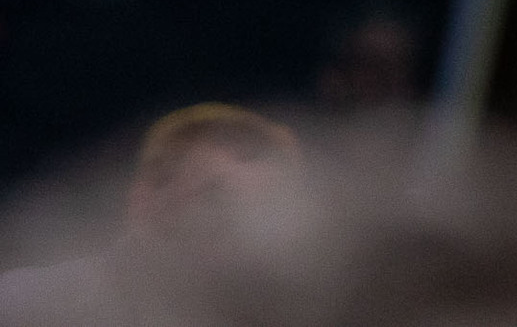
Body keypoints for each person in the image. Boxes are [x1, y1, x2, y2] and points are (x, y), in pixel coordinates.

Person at [0, 103, 301, 327]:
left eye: (271, 212)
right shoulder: (27, 306)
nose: (249, 233)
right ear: (144, 199)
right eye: (215, 199)